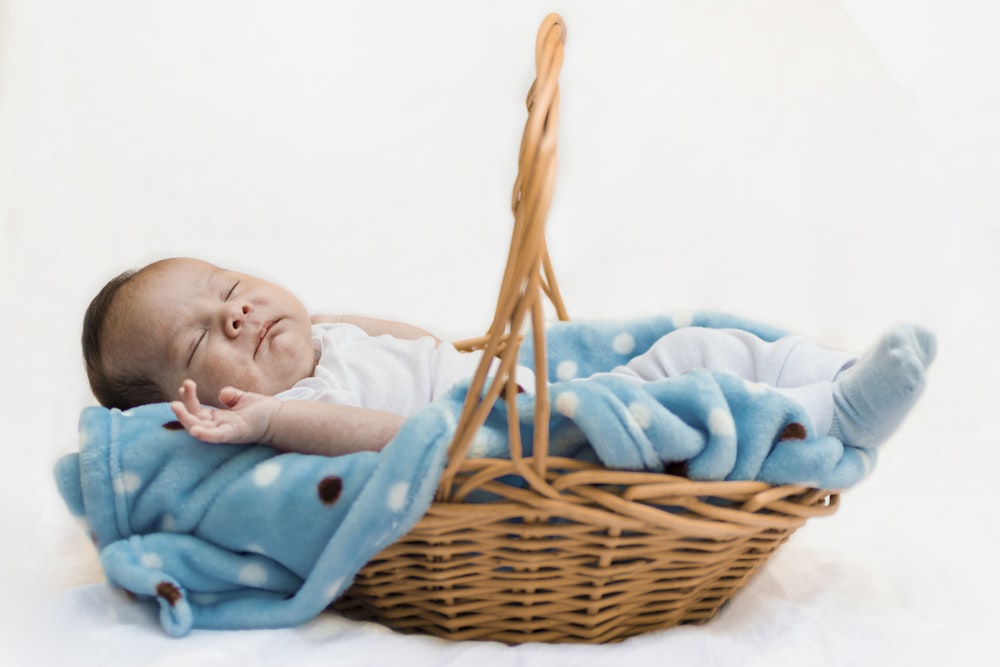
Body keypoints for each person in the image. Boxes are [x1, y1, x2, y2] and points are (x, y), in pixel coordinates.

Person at [82, 257, 936, 457]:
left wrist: (318, 316)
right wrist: (270, 417)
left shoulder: (328, 346)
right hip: (525, 444)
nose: (235, 312)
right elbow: (388, 433)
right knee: (689, 396)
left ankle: (823, 373)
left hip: (547, 389)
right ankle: (834, 421)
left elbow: (427, 345)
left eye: (231, 285)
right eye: (199, 338)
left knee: (692, 348)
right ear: (180, 407)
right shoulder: (292, 414)